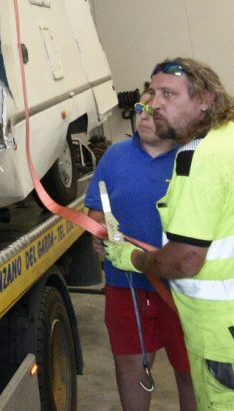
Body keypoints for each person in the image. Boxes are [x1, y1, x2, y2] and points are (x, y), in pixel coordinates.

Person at [105, 57, 234, 409]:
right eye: (153, 93)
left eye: (169, 94)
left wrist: (135, 259)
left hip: (229, 341)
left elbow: (186, 259)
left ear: (204, 100)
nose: (155, 104)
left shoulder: (198, 161)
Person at [85, 88, 195, 411]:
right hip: (126, 285)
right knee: (131, 368)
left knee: (190, 370)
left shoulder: (189, 158)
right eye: (139, 107)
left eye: (153, 109)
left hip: (181, 288)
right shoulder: (114, 156)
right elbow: (94, 208)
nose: (144, 115)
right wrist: (98, 229)